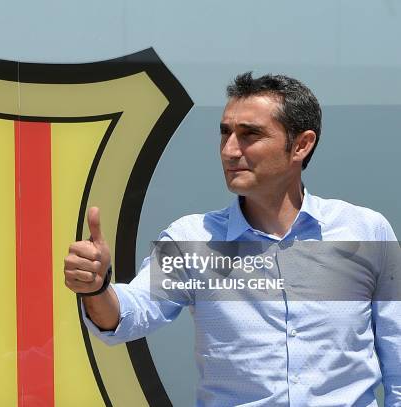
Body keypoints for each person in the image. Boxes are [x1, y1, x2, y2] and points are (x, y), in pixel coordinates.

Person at [63, 72, 400, 406]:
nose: (229, 150)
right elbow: (128, 316)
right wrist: (96, 288)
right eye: (225, 134)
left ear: (301, 145)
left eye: (249, 135)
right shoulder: (192, 239)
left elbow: (397, 354)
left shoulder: (365, 232)